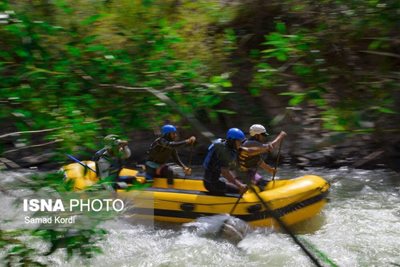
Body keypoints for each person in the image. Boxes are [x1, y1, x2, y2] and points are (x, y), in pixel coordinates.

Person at [238, 124, 286, 189]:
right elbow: (270, 147)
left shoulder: (253, 144)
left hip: (249, 173)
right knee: (263, 185)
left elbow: (258, 161)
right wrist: (281, 136)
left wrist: (270, 170)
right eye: (262, 135)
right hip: (242, 175)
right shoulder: (251, 143)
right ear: (256, 135)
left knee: (264, 183)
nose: (264, 137)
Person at [202, 128, 247, 195]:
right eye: (239, 141)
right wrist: (240, 185)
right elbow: (225, 172)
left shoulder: (225, 145)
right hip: (212, 184)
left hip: (211, 180)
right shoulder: (224, 151)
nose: (241, 144)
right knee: (240, 189)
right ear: (232, 140)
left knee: (240, 181)